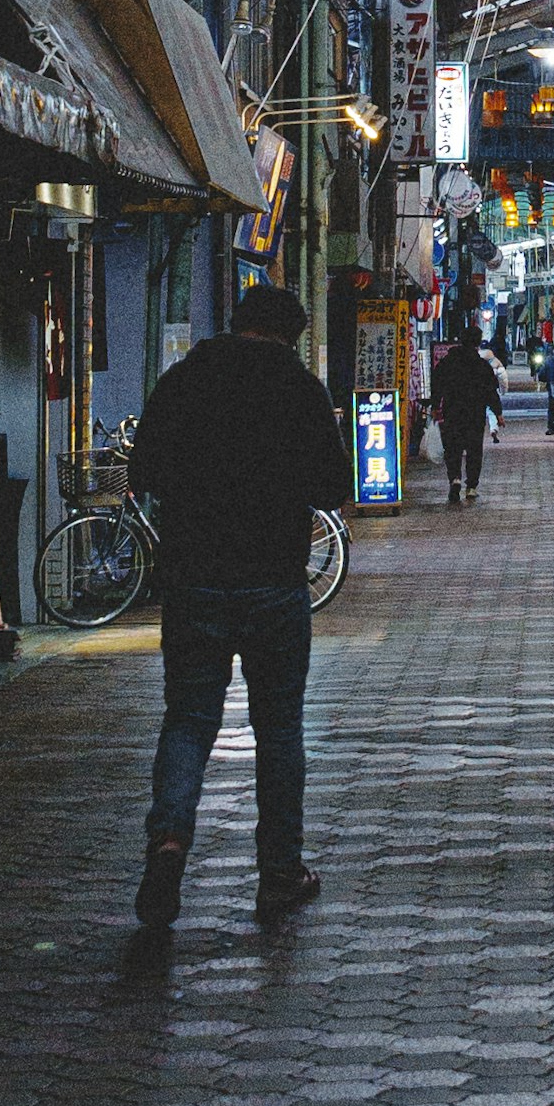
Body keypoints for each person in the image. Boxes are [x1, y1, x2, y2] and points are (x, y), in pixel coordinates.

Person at [125, 279, 349, 940]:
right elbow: (334, 485)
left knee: (189, 719)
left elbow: (143, 472)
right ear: (292, 334)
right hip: (274, 581)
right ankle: (279, 873)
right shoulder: (300, 391)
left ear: (237, 321)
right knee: (278, 728)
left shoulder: (185, 381)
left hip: (194, 578)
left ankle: (168, 841)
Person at [429, 328, 502, 504]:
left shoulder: (448, 362)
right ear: (478, 342)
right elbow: (490, 391)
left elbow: (437, 384)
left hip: (452, 411)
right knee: (474, 450)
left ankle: (454, 478)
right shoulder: (482, 365)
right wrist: (498, 413)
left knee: (453, 447)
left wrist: (435, 405)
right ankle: (471, 487)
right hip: (475, 413)